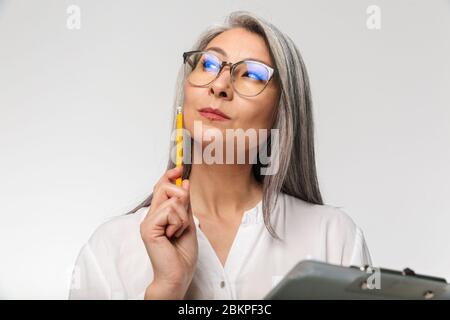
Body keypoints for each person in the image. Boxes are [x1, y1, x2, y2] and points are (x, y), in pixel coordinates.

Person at [69, 11, 372, 300]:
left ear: (283, 111)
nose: (220, 85)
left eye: (252, 74)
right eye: (209, 65)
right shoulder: (109, 250)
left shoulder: (334, 239)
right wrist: (167, 287)